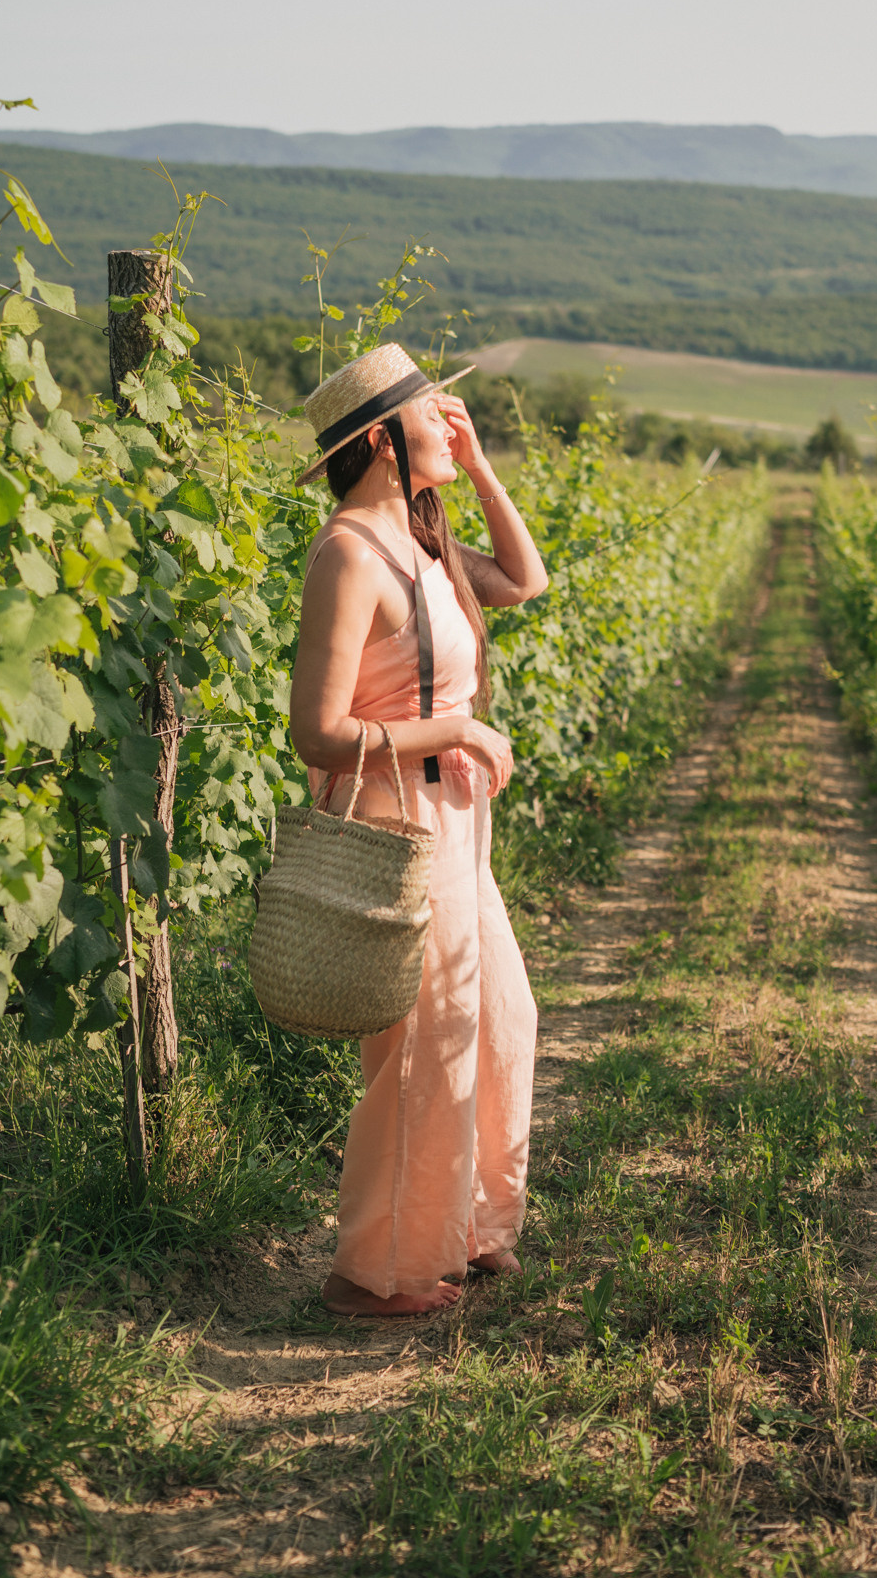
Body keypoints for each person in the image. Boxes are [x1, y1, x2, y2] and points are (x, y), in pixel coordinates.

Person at [288, 343, 548, 1316]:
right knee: (421, 1046)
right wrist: (454, 727)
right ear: (382, 443)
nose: (451, 422)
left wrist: (479, 471)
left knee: (498, 1017)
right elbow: (313, 731)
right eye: (436, 414)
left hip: (457, 820)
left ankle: (468, 1230)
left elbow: (525, 580)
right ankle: (374, 1272)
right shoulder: (348, 555)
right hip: (398, 819)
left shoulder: (422, 539)